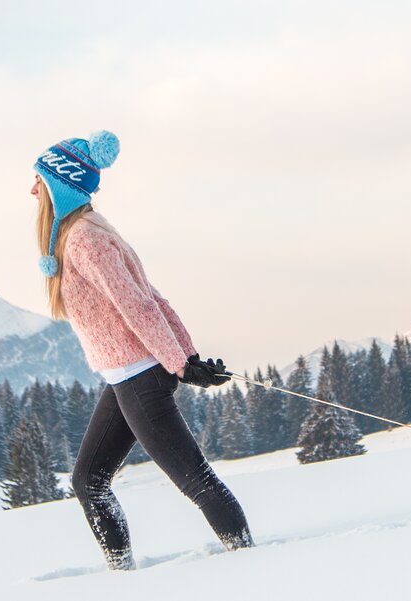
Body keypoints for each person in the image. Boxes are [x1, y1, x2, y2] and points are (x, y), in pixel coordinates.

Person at [29, 130, 252, 570]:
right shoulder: (83, 233)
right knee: (88, 480)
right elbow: (152, 298)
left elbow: (138, 304)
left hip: (140, 374)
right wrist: (185, 357)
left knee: (195, 479)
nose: (31, 188)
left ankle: (248, 562)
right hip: (125, 375)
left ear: (59, 182)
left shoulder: (85, 240)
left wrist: (181, 362)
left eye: (38, 178)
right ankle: (123, 575)